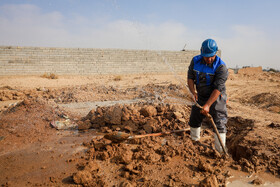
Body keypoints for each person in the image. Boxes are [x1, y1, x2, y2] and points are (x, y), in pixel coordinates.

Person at [187, 38, 228, 153]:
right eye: (206, 56)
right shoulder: (195, 61)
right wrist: (192, 92)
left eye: (212, 56)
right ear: (201, 53)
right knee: (195, 116)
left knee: (219, 121)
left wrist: (208, 105)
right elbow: (190, 77)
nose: (209, 59)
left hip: (216, 97)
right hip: (200, 95)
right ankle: (194, 142)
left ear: (216, 53)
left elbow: (218, 88)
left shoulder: (221, 67)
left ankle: (220, 151)